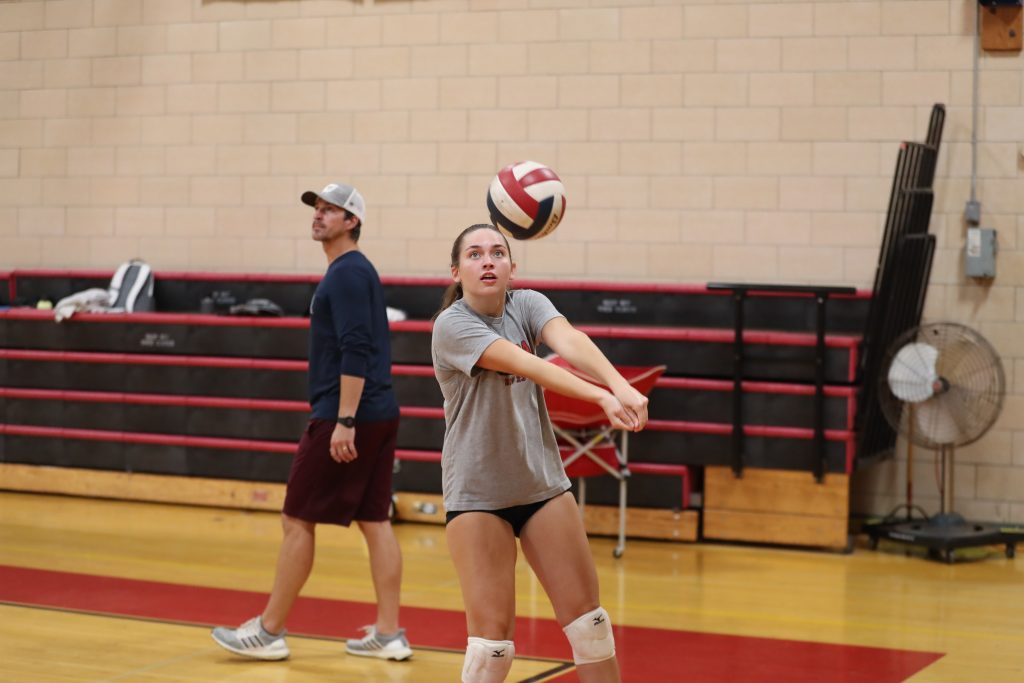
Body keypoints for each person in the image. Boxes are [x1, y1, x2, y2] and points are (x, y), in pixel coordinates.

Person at [431, 224, 648, 683]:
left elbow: (569, 340)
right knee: (492, 650)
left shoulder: (527, 303)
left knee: (591, 626)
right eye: (474, 254)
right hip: (478, 494)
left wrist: (619, 383)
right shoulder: (452, 325)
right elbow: (526, 364)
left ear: (512, 267)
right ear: (456, 271)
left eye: (497, 253)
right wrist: (602, 397)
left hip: (541, 485)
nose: (487, 261)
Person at [211, 183, 411, 662]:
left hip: (347, 414)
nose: (318, 215)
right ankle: (389, 633)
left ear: (352, 221)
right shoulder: (356, 271)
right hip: (379, 411)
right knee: (375, 521)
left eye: (330, 210)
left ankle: (269, 631)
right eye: (317, 208)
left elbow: (355, 347)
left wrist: (345, 419)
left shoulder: (347, 274)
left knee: (297, 518)